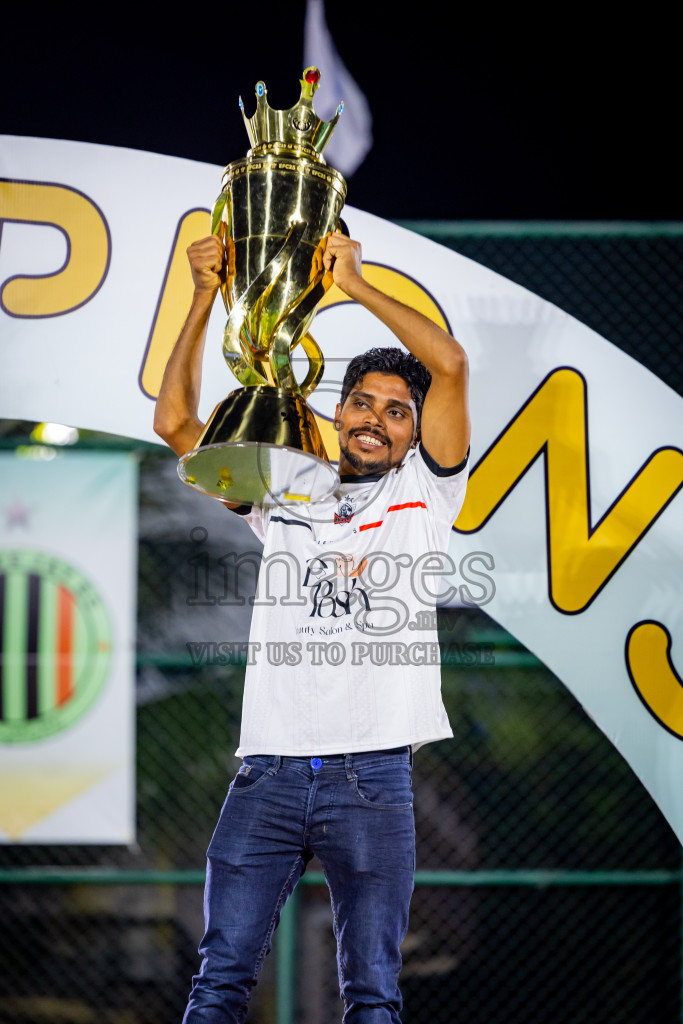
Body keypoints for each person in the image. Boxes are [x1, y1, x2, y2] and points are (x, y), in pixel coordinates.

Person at [154, 231, 471, 1023]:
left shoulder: (427, 495)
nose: (377, 420)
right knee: (219, 980)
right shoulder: (288, 482)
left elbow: (454, 365)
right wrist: (201, 296)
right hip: (267, 771)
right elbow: (176, 425)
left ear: (413, 431)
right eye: (362, 401)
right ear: (337, 409)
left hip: (373, 777)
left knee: (371, 993)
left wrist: (355, 284)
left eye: (398, 412)